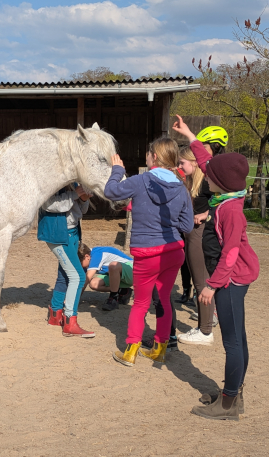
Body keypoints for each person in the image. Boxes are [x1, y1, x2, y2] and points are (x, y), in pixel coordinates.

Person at [173, 115, 260, 420]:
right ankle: (234, 393)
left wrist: (212, 285)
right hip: (230, 276)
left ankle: (227, 403)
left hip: (232, 279)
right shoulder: (225, 197)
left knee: (233, 341)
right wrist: (189, 135)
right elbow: (206, 161)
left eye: (210, 176)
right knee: (238, 336)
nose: (205, 175)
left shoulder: (231, 210)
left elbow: (231, 253)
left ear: (219, 181)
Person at [104, 138, 194, 366]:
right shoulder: (181, 188)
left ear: (154, 156)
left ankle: (131, 350)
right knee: (163, 300)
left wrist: (117, 171)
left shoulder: (140, 181)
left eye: (148, 153)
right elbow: (187, 226)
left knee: (141, 303)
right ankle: (159, 349)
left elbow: (110, 191)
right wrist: (168, 220)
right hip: (173, 252)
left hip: (147, 252)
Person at [177, 145, 224, 345]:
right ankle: (203, 327)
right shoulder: (190, 182)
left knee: (201, 281)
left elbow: (227, 199)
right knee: (198, 280)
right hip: (190, 232)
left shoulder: (206, 183)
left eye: (182, 163)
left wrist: (207, 213)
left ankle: (205, 331)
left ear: (194, 162)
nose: (180, 166)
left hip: (199, 233)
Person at [38, 184, 94, 337]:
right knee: (78, 277)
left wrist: (84, 199)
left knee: (64, 274)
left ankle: (55, 315)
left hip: (72, 233)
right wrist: (75, 195)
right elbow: (48, 204)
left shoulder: (74, 183)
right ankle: (70, 321)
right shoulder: (52, 182)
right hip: (60, 236)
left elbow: (80, 211)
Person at [77, 243, 133, 311]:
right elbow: (80, 279)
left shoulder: (97, 255)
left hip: (133, 272)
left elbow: (86, 279)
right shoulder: (88, 258)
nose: (79, 266)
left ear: (87, 256)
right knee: (94, 283)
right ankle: (124, 291)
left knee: (113, 266)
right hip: (119, 276)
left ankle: (113, 298)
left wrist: (75, 300)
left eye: (79, 263)